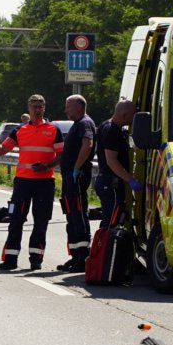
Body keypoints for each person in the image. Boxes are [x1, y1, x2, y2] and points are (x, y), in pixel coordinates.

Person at [0, 93, 64, 271]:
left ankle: (36, 259)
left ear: (44, 108)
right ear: (28, 108)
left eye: (40, 106)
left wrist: (46, 166)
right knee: (16, 220)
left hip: (45, 183)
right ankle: (10, 259)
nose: (37, 110)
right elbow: (1, 151)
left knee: (41, 222)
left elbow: (61, 155)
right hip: (23, 182)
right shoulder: (19, 130)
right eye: (34, 106)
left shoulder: (53, 129)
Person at [55, 94, 96, 271]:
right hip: (69, 177)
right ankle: (75, 255)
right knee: (71, 215)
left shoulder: (85, 123)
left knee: (79, 215)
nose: (66, 110)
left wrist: (77, 167)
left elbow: (87, 145)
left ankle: (83, 257)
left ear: (79, 107)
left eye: (68, 106)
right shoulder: (77, 124)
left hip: (77, 177)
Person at [95, 99, 142, 230]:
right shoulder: (112, 131)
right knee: (111, 221)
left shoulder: (105, 126)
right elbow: (111, 160)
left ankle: (106, 247)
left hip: (106, 181)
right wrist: (130, 179)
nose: (134, 118)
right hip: (110, 183)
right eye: (133, 114)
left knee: (111, 219)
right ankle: (105, 248)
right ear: (124, 115)